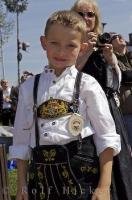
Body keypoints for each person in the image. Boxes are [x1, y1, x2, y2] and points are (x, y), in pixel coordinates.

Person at [9, 10, 121, 200]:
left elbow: (107, 137)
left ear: (82, 48)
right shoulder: (28, 88)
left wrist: (104, 186)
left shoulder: (88, 84)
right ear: (44, 43)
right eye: (54, 44)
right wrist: (22, 184)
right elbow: (21, 141)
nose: (62, 52)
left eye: (71, 45)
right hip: (40, 181)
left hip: (82, 178)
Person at [71, 1, 132, 199]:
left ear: (96, 19)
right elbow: (68, 77)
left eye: (90, 14)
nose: (86, 18)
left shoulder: (102, 44)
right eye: (80, 13)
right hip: (84, 111)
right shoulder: (70, 43)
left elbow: (115, 83)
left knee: (117, 161)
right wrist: (86, 49)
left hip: (110, 110)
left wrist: (111, 59)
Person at [110, 32, 132, 145]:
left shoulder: (130, 56)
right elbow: (125, 77)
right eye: (114, 37)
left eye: (120, 35)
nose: (119, 37)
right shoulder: (111, 61)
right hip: (127, 114)